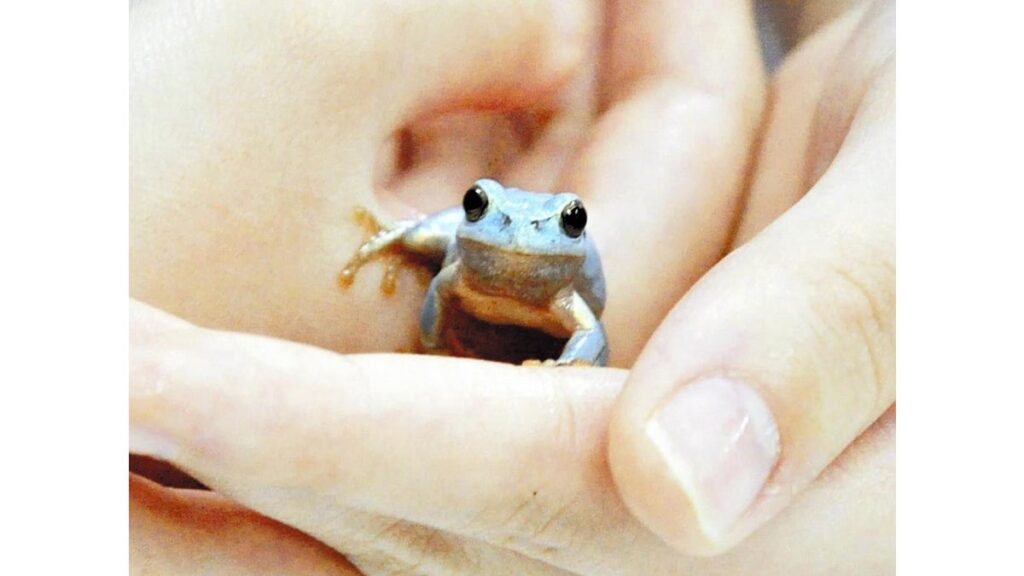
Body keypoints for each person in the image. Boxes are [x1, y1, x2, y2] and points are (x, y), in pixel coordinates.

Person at [130, 0, 895, 573]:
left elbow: (589, 328)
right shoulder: (468, 248)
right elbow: (445, 285)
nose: (529, 233)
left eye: (564, 222)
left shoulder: (567, 284)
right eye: (477, 206)